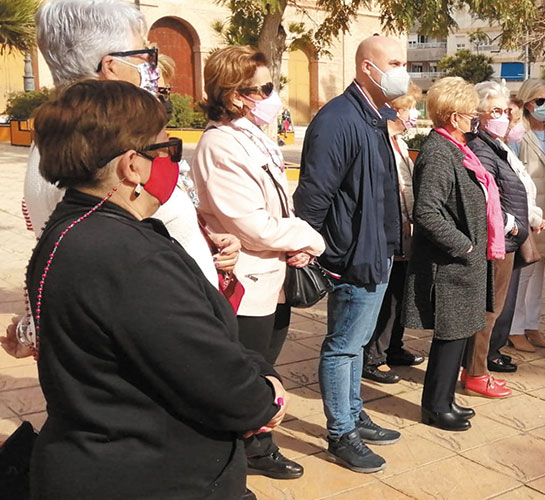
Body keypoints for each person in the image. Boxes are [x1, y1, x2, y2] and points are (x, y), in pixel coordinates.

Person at [25, 79, 287, 500]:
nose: (174, 164)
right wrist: (266, 397)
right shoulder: (126, 256)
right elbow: (210, 375)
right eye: (168, 150)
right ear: (132, 165)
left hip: (97, 461)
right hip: (153, 475)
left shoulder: (72, 228)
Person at [25, 0, 239, 298]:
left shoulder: (63, 139)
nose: (152, 68)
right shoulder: (99, 155)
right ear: (111, 66)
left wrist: (201, 237)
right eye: (144, 55)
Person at [192, 46, 325, 482]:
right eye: (264, 88)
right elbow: (250, 224)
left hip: (272, 275)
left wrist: (294, 245)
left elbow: (277, 209)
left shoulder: (251, 136)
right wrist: (307, 238)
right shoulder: (220, 145)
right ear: (235, 95)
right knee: (248, 372)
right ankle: (246, 452)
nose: (273, 95)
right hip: (245, 282)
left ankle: (254, 444)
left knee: (264, 366)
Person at [293, 35, 405, 473]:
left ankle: (354, 414)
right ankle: (341, 432)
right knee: (342, 346)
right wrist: (310, 246)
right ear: (366, 68)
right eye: (394, 63)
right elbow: (314, 194)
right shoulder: (338, 119)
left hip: (376, 252)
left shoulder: (374, 116)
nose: (401, 73)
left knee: (357, 343)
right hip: (352, 255)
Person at [404, 77, 500, 431]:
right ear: (453, 116)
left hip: (464, 265)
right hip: (450, 264)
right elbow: (427, 212)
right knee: (449, 336)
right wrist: (465, 245)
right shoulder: (438, 153)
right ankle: (435, 407)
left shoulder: (458, 148)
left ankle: (445, 399)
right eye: (471, 113)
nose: (476, 118)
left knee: (459, 334)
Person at [463, 79, 531, 394]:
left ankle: (476, 369)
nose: (503, 117)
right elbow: (484, 197)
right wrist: (510, 224)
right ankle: (476, 373)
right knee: (489, 310)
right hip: (497, 242)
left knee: (493, 309)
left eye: (505, 111)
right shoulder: (481, 146)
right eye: (495, 111)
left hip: (504, 241)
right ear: (478, 113)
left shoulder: (494, 145)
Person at [361, 88, 425, 385]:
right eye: (410, 109)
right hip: (389, 232)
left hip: (406, 232)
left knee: (400, 294)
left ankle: (393, 347)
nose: (414, 115)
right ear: (396, 111)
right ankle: (373, 356)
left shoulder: (400, 142)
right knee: (385, 298)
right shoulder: (380, 141)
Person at [487, 98, 545, 372]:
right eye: (501, 112)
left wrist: (533, 217)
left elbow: (523, 188)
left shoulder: (505, 148)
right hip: (505, 232)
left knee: (506, 298)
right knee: (498, 300)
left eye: (512, 114)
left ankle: (495, 348)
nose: (510, 119)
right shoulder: (490, 149)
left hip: (517, 228)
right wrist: (524, 219)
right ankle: (487, 354)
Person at [510, 78, 545, 352]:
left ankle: (532, 324)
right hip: (529, 212)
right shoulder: (518, 135)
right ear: (527, 103)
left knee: (539, 271)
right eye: (540, 101)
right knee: (524, 272)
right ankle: (514, 328)